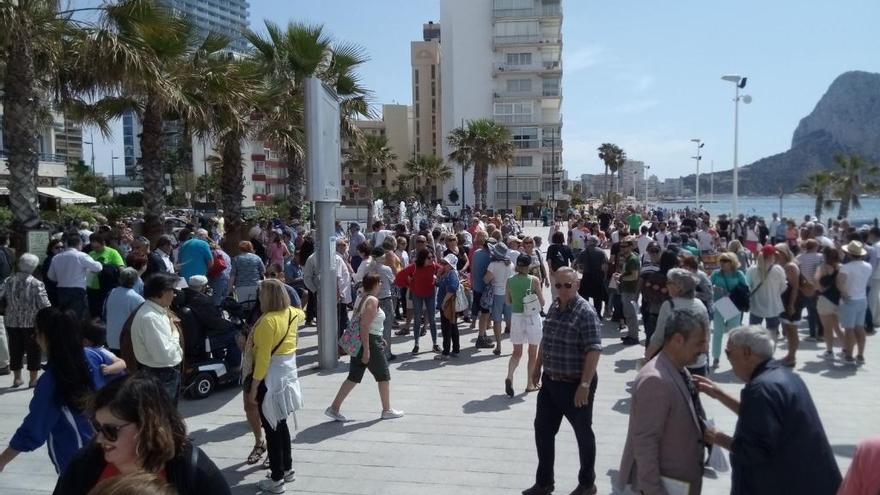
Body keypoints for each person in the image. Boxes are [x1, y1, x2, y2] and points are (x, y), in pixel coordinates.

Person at [696, 326, 841, 495]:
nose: (728, 359)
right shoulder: (784, 376)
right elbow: (760, 418)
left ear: (747, 353)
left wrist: (717, 437)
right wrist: (719, 394)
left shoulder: (761, 389)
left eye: (728, 353)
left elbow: (754, 450)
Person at [53, 373, 230, 495]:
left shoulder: (193, 471)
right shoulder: (84, 466)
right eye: (97, 426)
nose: (99, 437)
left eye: (110, 430)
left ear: (148, 426)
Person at [523, 267, 601, 495]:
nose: (563, 290)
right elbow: (546, 339)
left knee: (583, 433)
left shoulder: (585, 312)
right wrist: (537, 368)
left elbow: (594, 351)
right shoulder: (555, 307)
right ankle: (544, 482)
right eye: (558, 285)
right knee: (543, 431)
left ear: (576, 285)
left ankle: (587, 483)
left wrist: (584, 386)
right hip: (550, 383)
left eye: (568, 285)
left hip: (576, 384)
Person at [0, 308, 102, 474]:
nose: (35, 337)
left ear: (46, 337)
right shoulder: (94, 358)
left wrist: (2, 460)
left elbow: (34, 429)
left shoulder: (52, 381)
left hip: (77, 463)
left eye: (36, 332)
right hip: (105, 451)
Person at [619, 310, 709, 495]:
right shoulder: (656, 380)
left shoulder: (678, 369)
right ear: (678, 340)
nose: (704, 350)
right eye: (699, 343)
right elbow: (645, 443)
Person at [246, 279, 304, 493]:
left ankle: (277, 478)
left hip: (270, 381)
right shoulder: (293, 313)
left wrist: (253, 388)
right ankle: (287, 469)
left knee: (271, 428)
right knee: (282, 424)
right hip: (288, 378)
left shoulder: (266, 321)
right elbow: (304, 313)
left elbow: (261, 361)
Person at [326, 273, 404, 422]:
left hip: (366, 341)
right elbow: (364, 325)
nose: (381, 284)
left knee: (354, 376)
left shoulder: (362, 297)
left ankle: (334, 408)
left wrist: (379, 339)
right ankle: (386, 410)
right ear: (374, 284)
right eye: (379, 282)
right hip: (368, 342)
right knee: (383, 376)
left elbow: (367, 323)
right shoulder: (372, 300)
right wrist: (368, 349)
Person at [129, 272, 183, 406]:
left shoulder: (157, 312)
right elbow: (163, 356)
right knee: (163, 418)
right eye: (172, 290)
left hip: (163, 373)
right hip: (160, 374)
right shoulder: (150, 318)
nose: (174, 295)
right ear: (162, 292)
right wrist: (175, 333)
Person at [646, 269, 711, 375]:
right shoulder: (700, 304)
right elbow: (707, 335)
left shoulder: (669, 305)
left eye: (669, 282)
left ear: (678, 287)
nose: (666, 285)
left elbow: (658, 337)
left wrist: (647, 357)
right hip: (698, 363)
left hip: (676, 363)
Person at [0, 253, 50, 388]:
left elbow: (1, 295)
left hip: (11, 321)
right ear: (33, 267)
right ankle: (33, 380)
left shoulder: (9, 280)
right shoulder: (36, 283)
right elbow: (45, 304)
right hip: (31, 322)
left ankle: (17, 378)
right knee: (34, 350)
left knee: (15, 348)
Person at [178, 275, 241, 371]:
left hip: (195, 337)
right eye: (206, 285)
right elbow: (216, 323)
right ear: (202, 287)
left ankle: (219, 360)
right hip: (203, 340)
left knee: (224, 331)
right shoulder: (202, 301)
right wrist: (233, 325)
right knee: (235, 334)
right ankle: (233, 366)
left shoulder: (185, 297)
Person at [505, 254, 545, 396]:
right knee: (532, 353)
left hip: (516, 317)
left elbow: (508, 302)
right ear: (528, 266)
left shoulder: (510, 280)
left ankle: (510, 375)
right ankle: (530, 384)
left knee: (516, 352)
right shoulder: (534, 280)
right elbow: (542, 302)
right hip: (532, 318)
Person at [48, 232, 103, 319]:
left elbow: (51, 276)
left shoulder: (56, 257)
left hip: (61, 290)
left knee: (64, 316)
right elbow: (98, 268)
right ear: (79, 244)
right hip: (77, 291)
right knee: (77, 317)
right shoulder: (81, 256)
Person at [395, 248, 440, 354]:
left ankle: (435, 344)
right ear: (423, 258)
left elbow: (444, 270)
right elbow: (399, 276)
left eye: (432, 257)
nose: (432, 259)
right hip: (417, 295)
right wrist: (408, 285)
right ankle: (416, 344)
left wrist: (439, 279)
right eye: (429, 258)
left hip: (430, 294)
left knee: (432, 320)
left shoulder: (433, 266)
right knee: (417, 320)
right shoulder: (414, 267)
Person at [710, 252, 748, 368]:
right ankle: (716, 357)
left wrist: (733, 292)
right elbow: (707, 286)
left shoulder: (738, 274)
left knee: (733, 334)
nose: (722, 263)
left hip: (734, 305)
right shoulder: (716, 274)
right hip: (720, 304)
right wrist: (714, 288)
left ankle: (735, 357)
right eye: (721, 260)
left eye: (725, 261)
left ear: (732, 262)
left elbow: (745, 288)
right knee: (717, 332)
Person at [837, 240, 871, 365]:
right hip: (862, 299)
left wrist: (844, 294)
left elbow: (840, 283)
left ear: (849, 254)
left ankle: (849, 355)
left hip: (850, 300)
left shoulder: (846, 267)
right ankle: (860, 355)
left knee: (849, 329)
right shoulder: (868, 266)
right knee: (860, 328)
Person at [746, 245, 787, 337]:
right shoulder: (778, 270)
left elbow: (747, 285)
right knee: (772, 335)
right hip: (773, 306)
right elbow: (783, 287)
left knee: (753, 335)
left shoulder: (752, 269)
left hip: (756, 306)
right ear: (771, 256)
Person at [773, 243, 803, 367]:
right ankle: (790, 355)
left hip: (792, 301)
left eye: (777, 252)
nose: (775, 254)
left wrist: (791, 305)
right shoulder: (781, 265)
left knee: (792, 330)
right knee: (788, 330)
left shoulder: (790, 266)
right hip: (784, 301)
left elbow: (795, 287)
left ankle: (792, 357)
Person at [103, 268, 145, 355]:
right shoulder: (138, 299)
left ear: (120, 279)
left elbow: (104, 314)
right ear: (136, 281)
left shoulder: (111, 293)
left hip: (110, 339)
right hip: (128, 342)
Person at [484, 242, 513, 356]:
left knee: (497, 320)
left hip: (497, 294)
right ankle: (516, 344)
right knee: (510, 320)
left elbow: (486, 279)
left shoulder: (493, 265)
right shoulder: (510, 264)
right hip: (509, 294)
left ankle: (499, 346)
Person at [815, 247, 843, 359]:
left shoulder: (822, 267)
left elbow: (817, 284)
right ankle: (845, 349)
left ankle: (829, 351)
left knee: (827, 328)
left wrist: (821, 290)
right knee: (837, 327)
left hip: (825, 300)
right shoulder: (841, 267)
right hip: (838, 300)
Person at [469, 232, 495, 349]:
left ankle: (483, 334)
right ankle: (481, 337)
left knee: (482, 313)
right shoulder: (490, 257)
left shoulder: (476, 253)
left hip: (476, 286)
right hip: (485, 289)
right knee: (485, 314)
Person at [434, 253, 461, 360]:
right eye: (443, 263)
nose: (442, 265)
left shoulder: (452, 274)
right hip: (447, 305)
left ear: (451, 264)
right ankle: (455, 350)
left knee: (447, 329)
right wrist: (439, 274)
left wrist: (444, 302)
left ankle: (446, 352)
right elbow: (437, 284)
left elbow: (452, 288)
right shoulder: (447, 273)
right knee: (452, 327)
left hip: (448, 305)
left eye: (445, 263)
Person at [616, 237, 641, 346]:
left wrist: (620, 278)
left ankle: (634, 337)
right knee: (628, 313)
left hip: (630, 290)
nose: (622, 248)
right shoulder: (627, 258)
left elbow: (634, 276)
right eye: (621, 246)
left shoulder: (632, 259)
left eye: (625, 246)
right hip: (626, 289)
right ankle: (631, 334)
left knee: (631, 314)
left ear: (630, 247)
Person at [576, 236, 607, 317]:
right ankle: (598, 314)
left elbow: (579, 267)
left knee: (584, 296)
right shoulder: (601, 252)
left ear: (591, 242)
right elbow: (604, 266)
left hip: (586, 276)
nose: (586, 241)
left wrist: (582, 272)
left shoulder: (583, 252)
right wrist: (604, 276)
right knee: (598, 298)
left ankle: (586, 313)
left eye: (587, 240)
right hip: (598, 276)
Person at [229, 241, 265, 305]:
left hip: (241, 288)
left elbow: (232, 275)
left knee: (243, 308)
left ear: (240, 249)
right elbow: (263, 271)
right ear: (251, 248)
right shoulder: (257, 258)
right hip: (255, 286)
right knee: (254, 308)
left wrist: (230, 289)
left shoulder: (236, 259)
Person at [546, 231, 574, 300]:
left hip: (554, 271)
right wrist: (571, 269)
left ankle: (555, 306)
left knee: (555, 291)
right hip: (565, 272)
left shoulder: (551, 247)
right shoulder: (567, 247)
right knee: (566, 289)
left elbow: (549, 259)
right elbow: (573, 260)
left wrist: (550, 269)